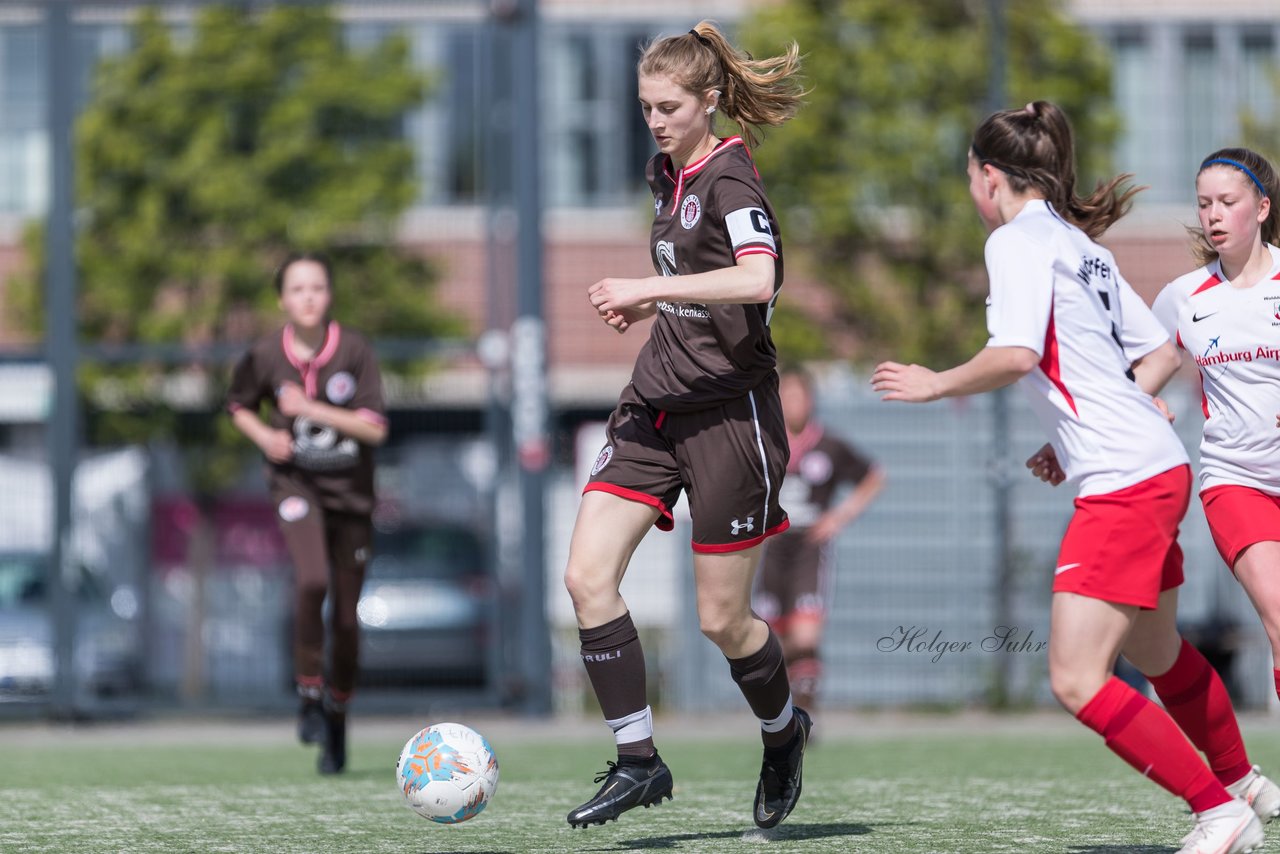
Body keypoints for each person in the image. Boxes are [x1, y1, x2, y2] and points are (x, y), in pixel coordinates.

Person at [871, 101, 1277, 854]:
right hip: (1155, 464)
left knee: (1076, 678)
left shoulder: (1017, 242)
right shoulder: (1074, 241)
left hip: (1126, 477)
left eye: (970, 174)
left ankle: (1220, 812)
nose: (972, 187)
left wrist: (936, 382)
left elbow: (1018, 353)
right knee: (1159, 654)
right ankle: (1243, 781)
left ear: (988, 176)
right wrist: (1076, 428)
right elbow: (1150, 344)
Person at [563, 20, 807, 831]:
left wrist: (642, 287)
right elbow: (692, 285)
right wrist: (657, 304)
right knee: (587, 578)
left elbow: (757, 278)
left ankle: (782, 733)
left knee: (721, 622)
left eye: (669, 107)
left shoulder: (733, 182)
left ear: (708, 102)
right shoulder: (664, 172)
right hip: (654, 406)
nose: (657, 121)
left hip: (729, 420)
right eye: (645, 107)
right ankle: (639, 761)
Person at [226, 252, 388, 775]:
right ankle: (308, 691)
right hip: (296, 487)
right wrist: (266, 436)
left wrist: (310, 410)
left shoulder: (356, 350)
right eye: (297, 289)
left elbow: (374, 428)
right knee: (310, 579)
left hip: (352, 499)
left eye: (317, 287)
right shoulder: (265, 354)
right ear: (282, 300)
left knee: (345, 618)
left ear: (329, 295)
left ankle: (336, 716)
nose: (308, 297)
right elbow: (238, 405)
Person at [1152, 150, 1280, 718]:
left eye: (1228, 202)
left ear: (1262, 207)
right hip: (1237, 479)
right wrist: (1143, 401)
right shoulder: (1183, 297)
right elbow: (1144, 373)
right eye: (1205, 204)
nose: (1214, 215)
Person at [753, 366, 885, 711]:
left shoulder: (829, 445)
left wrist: (838, 517)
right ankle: (781, 717)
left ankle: (806, 716)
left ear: (810, 400)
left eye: (800, 395)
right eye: (787, 396)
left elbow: (873, 477)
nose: (794, 402)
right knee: (774, 642)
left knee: (806, 636)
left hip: (810, 548)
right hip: (772, 547)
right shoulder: (764, 444)